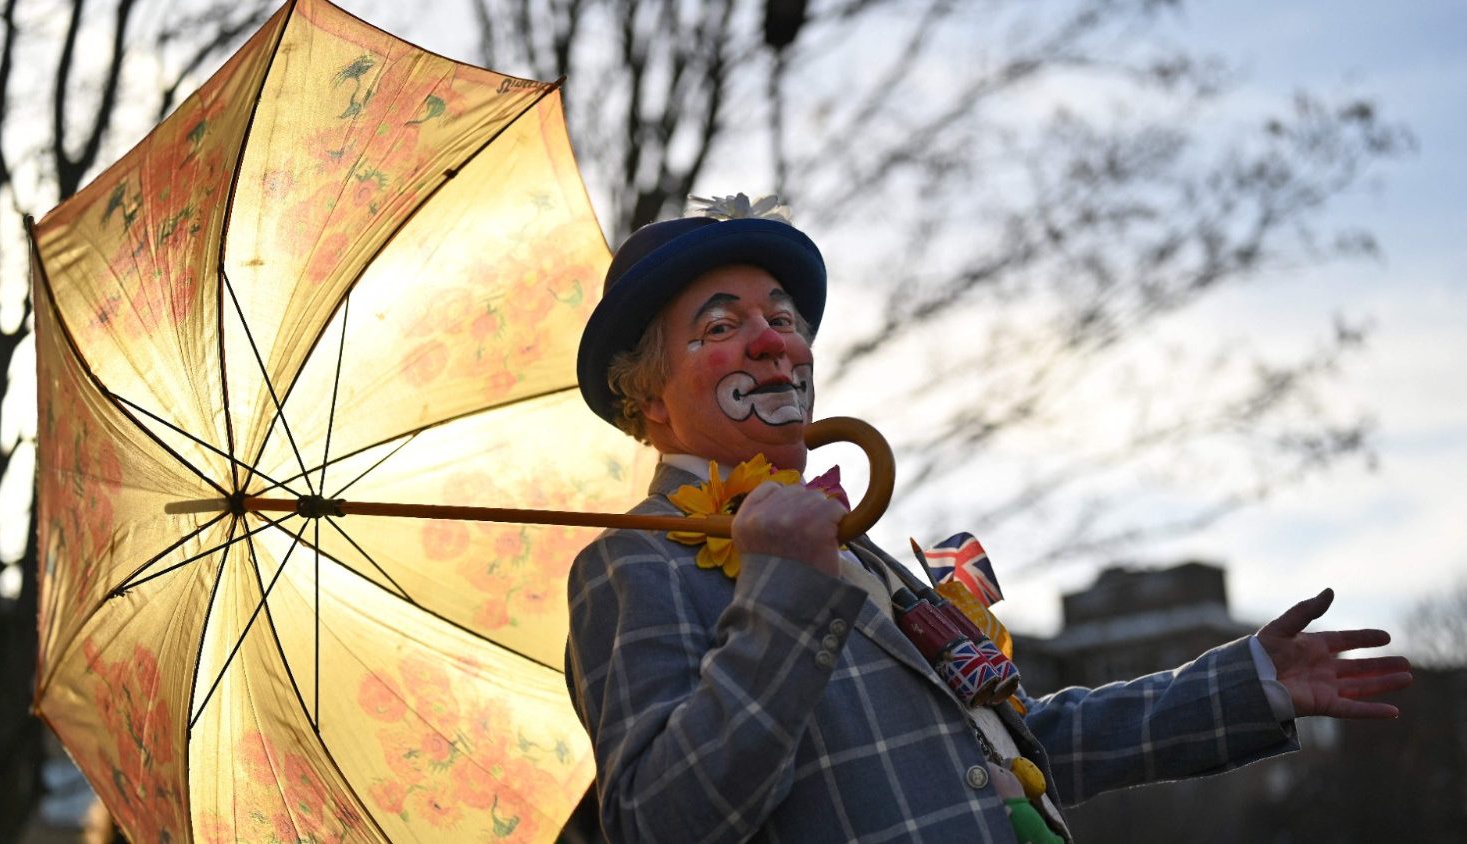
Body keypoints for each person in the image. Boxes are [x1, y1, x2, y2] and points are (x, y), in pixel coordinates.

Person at [563, 195, 1412, 842]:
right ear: (649, 396)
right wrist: (783, 596)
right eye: (723, 324)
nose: (773, 342)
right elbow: (657, 821)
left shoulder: (865, 554)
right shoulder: (635, 565)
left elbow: (1009, 750)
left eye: (782, 319)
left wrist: (1247, 684)